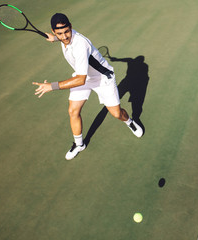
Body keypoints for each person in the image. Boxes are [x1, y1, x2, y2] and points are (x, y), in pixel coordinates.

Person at [32, 13, 143, 160]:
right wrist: (54, 39)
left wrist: (52, 86)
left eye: (66, 32)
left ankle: (130, 122)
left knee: (116, 113)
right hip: (83, 76)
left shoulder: (80, 45)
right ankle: (79, 144)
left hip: (102, 78)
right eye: (59, 33)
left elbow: (80, 80)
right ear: (54, 32)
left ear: (71, 27)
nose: (64, 37)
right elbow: (59, 39)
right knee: (73, 111)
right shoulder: (61, 37)